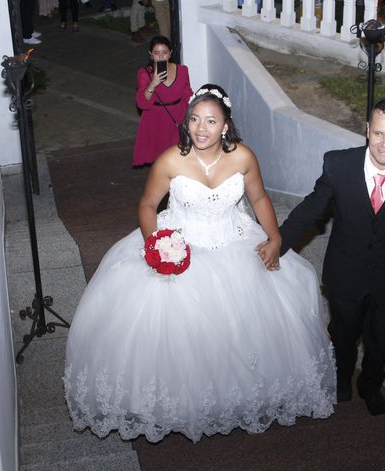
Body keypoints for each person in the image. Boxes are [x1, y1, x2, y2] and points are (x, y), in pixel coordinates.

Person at [64, 84, 336, 443]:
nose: (201, 128)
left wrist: (274, 239)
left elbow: (259, 198)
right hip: (180, 243)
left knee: (245, 327)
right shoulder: (171, 160)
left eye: (210, 120)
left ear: (225, 125)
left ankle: (239, 395)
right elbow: (147, 206)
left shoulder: (243, 157)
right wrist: (156, 245)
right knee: (175, 329)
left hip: (235, 242)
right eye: (194, 120)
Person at [262, 99, 385, 416]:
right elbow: (311, 209)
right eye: (378, 133)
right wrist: (277, 242)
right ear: (366, 130)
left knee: (384, 342)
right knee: (344, 335)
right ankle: (342, 379)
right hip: (346, 272)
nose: (384, 144)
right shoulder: (339, 165)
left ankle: (371, 384)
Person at [132, 36, 192, 167]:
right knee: (160, 162)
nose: (161, 57)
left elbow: (187, 94)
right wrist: (153, 84)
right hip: (155, 121)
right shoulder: (144, 73)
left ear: (170, 53)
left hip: (177, 120)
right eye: (156, 53)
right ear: (151, 55)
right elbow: (142, 103)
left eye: (164, 53)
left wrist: (189, 115)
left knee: (179, 159)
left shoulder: (182, 70)